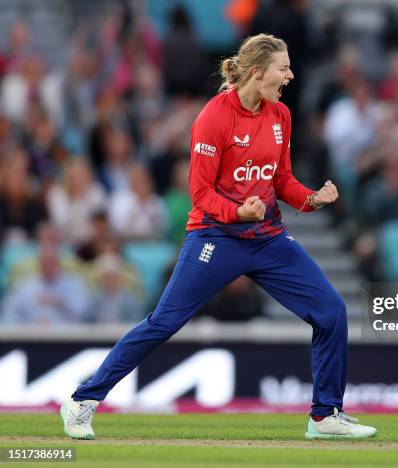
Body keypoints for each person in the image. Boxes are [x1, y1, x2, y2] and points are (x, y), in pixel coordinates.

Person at [60, 34, 377, 440]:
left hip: (267, 238)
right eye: (283, 67)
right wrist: (237, 211)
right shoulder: (214, 117)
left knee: (332, 312)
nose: (290, 75)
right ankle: (82, 401)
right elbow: (201, 193)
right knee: (163, 322)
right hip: (216, 236)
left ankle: (325, 415)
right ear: (259, 72)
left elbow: (280, 179)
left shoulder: (280, 114)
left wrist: (312, 198)